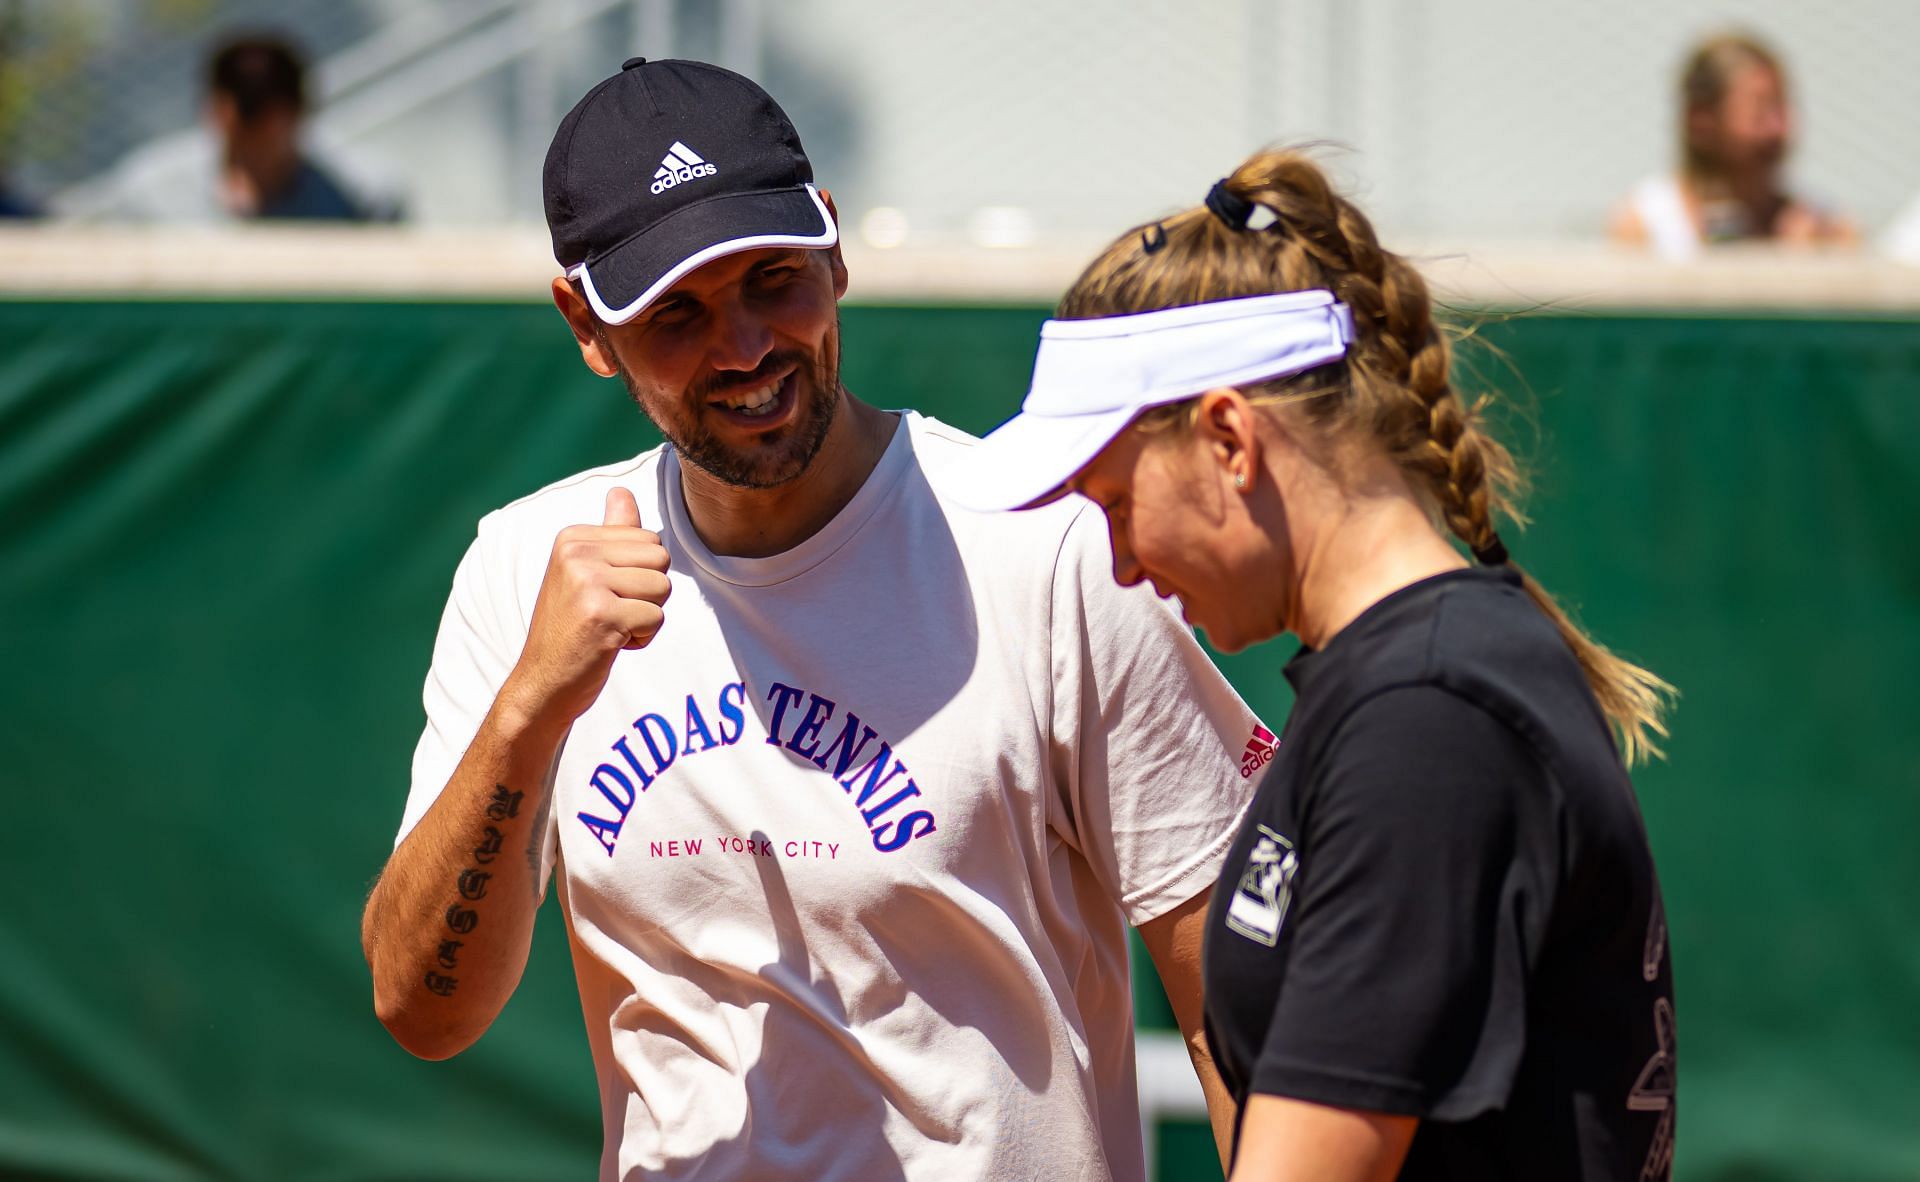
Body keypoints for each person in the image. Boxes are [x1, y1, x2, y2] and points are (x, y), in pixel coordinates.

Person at [360, 58, 1259, 1181]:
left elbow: (1251, 1014)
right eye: (677, 313)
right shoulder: (524, 570)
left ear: (835, 248)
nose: (743, 348)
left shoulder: (1048, 549)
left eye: (774, 280)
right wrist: (528, 714)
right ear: (586, 326)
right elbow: (421, 1009)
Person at [960, 151, 1679, 1180]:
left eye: (1116, 502)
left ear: (1227, 439)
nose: (1116, 559)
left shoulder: (1427, 722)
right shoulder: (1410, 683)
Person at [58, 34, 398, 223]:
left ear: (298, 112)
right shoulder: (152, 193)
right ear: (216, 111)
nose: (265, 133)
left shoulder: (362, 198)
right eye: (250, 113)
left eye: (276, 113)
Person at [1611, 32, 1852, 256]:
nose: (1778, 129)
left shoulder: (1824, 226)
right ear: (1702, 120)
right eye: (1759, 112)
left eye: (1781, 108)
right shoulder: (1649, 223)